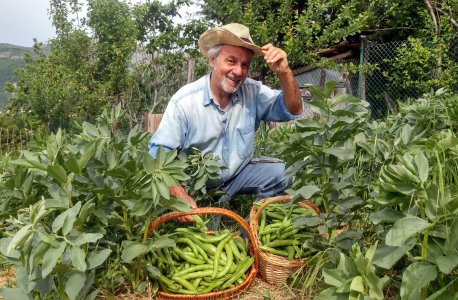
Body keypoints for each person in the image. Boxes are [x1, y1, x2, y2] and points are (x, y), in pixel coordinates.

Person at [148, 23, 303, 222]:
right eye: (231, 61)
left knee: (282, 173)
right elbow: (158, 153)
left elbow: (293, 109)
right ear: (213, 61)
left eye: (245, 64)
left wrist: (284, 71)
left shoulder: (252, 91)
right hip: (196, 183)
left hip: (238, 174)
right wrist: (178, 195)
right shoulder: (185, 102)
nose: (238, 71)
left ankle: (249, 232)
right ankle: (208, 211)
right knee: (205, 236)